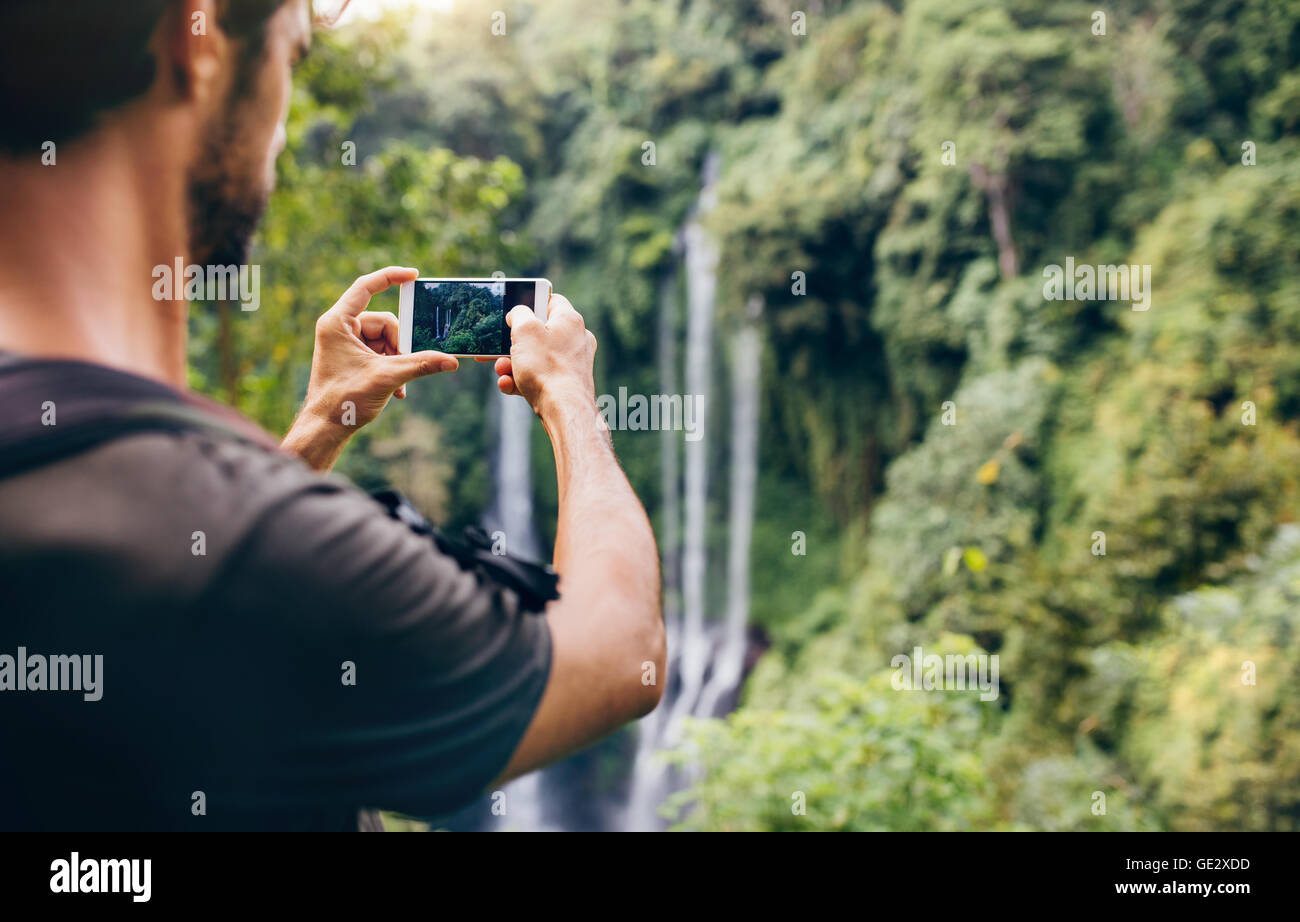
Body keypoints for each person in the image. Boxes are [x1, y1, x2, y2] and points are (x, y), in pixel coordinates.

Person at [0, 0, 664, 830]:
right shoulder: (255, 550)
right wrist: (570, 396)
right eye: (293, 52)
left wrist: (316, 430)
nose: (279, 126)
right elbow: (619, 653)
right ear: (193, 37)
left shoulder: (153, 512)